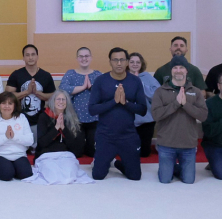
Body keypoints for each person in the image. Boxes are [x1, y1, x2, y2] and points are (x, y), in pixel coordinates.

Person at [88, 48, 148, 181]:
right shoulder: (100, 81)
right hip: (105, 135)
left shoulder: (135, 81)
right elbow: (92, 109)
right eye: (115, 60)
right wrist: (114, 101)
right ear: (110, 62)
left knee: (135, 177)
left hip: (128, 135)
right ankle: (106, 161)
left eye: (122, 60)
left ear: (127, 62)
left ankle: (115, 162)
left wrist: (125, 102)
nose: (119, 63)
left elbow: (142, 110)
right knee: (98, 176)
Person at [151, 63, 208, 184]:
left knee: (189, 180)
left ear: (186, 71)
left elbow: (203, 116)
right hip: (166, 144)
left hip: (188, 145)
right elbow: (156, 115)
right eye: (175, 68)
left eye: (181, 68)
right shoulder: (160, 91)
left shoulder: (196, 92)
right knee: (165, 180)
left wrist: (185, 104)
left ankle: (172, 168)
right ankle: (167, 169)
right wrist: (176, 104)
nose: (178, 70)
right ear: (170, 71)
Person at [27, 90, 90, 184]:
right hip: (47, 155)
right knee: (52, 175)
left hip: (66, 155)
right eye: (58, 99)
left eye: (63, 100)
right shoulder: (43, 117)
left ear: (67, 102)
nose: (61, 102)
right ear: (53, 101)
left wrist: (63, 128)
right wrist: (56, 128)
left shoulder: (73, 118)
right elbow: (42, 143)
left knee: (70, 175)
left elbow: (77, 148)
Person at [59, 48, 102, 158]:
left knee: (93, 152)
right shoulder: (71, 73)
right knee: (76, 153)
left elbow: (104, 92)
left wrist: (92, 88)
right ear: (77, 58)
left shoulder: (97, 75)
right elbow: (62, 89)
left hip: (94, 119)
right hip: (75, 120)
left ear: (91, 58)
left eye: (86, 56)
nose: (84, 58)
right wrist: (82, 87)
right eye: (81, 56)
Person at [0, 91, 34, 181]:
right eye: (3, 103)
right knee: (7, 175)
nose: (7, 106)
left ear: (14, 106)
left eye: (10, 103)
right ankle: (7, 167)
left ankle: (14, 167)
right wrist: (5, 137)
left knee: (26, 174)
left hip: (19, 155)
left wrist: (14, 137)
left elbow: (30, 140)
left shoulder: (21, 118)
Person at [5, 44, 56, 130]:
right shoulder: (16, 74)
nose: (30, 57)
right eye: (27, 55)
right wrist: (27, 92)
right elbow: (8, 96)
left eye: (33, 54)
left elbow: (53, 96)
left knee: (40, 143)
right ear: (23, 58)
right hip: (19, 119)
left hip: (41, 120)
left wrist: (37, 93)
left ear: (37, 56)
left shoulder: (46, 75)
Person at [128, 53, 159, 158]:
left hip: (146, 119)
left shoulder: (147, 77)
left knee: (144, 153)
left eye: (138, 62)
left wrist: (141, 84)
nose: (135, 64)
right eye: (132, 62)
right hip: (128, 119)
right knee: (130, 152)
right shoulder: (123, 76)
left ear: (142, 64)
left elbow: (157, 94)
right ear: (127, 63)